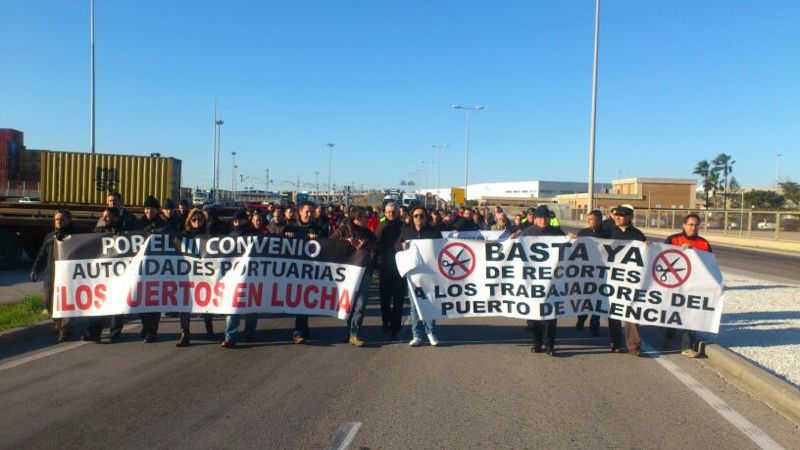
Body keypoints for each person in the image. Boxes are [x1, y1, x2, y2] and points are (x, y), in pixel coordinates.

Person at [664, 213, 711, 358]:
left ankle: (686, 346)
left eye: (696, 225)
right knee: (673, 313)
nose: (693, 228)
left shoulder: (704, 243)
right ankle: (669, 332)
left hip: (694, 284)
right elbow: (662, 257)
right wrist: (680, 250)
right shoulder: (673, 239)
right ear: (684, 225)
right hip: (674, 283)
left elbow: (710, 265)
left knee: (691, 314)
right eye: (690, 225)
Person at [519, 205, 564, 356]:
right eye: (540, 218)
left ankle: (549, 345)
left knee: (550, 316)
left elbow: (568, 249)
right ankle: (537, 343)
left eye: (546, 218)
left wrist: (571, 240)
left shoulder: (557, 233)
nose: (543, 220)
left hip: (552, 281)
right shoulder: (527, 233)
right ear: (535, 219)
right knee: (534, 317)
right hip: (533, 281)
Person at [282, 201, 328, 343]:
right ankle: (300, 330)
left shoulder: (318, 228)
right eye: (307, 211)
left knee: (304, 299)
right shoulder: (290, 226)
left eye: (312, 212)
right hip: (293, 269)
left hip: (310, 270)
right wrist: (286, 235)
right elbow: (279, 241)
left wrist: (318, 238)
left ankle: (301, 330)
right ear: (300, 212)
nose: (310, 214)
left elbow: (327, 243)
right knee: (298, 300)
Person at [330, 206, 376, 347]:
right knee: (349, 304)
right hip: (347, 273)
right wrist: (346, 244)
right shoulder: (343, 231)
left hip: (364, 272)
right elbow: (330, 244)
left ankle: (354, 334)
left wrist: (365, 247)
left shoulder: (369, 234)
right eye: (364, 217)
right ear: (356, 218)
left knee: (360, 305)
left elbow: (375, 250)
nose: (367, 220)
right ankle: (350, 332)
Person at [397, 206, 441, 346]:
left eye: (421, 215)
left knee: (430, 302)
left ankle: (430, 332)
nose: (419, 218)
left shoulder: (434, 232)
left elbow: (441, 249)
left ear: (426, 217)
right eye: (416, 216)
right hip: (414, 275)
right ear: (412, 217)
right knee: (415, 305)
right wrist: (402, 246)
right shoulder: (406, 231)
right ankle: (416, 335)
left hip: (430, 273)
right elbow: (396, 246)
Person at [30, 209, 77, 342]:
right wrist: (35, 269)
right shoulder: (50, 237)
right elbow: (41, 254)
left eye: (62, 219)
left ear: (69, 221)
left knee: (66, 304)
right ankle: (57, 322)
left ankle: (64, 330)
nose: (59, 222)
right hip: (50, 276)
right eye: (57, 219)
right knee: (49, 302)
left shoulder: (75, 237)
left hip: (68, 277)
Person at [608, 205, 647, 356]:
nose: (617, 217)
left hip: (630, 280)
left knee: (631, 312)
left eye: (621, 215)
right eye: (616, 215)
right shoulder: (608, 232)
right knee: (614, 313)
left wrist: (647, 247)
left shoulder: (637, 234)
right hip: (612, 278)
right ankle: (615, 342)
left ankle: (634, 346)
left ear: (630, 217)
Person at [85, 207, 125, 342]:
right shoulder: (99, 232)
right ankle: (94, 333)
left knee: (116, 305)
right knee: (98, 304)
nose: (104, 219)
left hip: (118, 275)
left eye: (107, 216)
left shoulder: (124, 232)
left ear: (116, 218)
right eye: (103, 216)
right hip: (101, 275)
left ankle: (115, 333)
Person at [176, 209, 215, 347]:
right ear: (189, 221)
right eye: (194, 219)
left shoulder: (209, 237)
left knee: (206, 304)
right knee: (184, 305)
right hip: (187, 276)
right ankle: (185, 333)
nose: (197, 222)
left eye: (200, 219)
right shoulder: (183, 236)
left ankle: (209, 329)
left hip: (204, 276)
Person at [221, 209, 258, 348]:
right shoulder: (230, 236)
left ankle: (249, 333)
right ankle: (230, 336)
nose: (237, 222)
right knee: (233, 307)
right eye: (235, 220)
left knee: (251, 307)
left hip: (251, 276)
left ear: (245, 220)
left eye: (240, 219)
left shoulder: (253, 235)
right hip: (234, 277)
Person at [136, 195, 168, 342]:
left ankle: (152, 330)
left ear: (157, 210)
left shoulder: (163, 224)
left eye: (151, 208)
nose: (148, 211)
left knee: (154, 301)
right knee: (142, 300)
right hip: (141, 268)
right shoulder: (138, 223)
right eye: (146, 208)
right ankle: (145, 325)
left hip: (157, 269)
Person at [572, 210, 608, 336]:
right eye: (588, 219)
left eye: (592, 219)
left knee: (598, 298)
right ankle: (581, 319)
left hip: (601, 271)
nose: (590, 222)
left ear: (599, 220)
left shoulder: (607, 234)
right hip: (586, 271)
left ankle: (595, 324)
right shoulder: (583, 233)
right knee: (585, 298)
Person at [375, 201, 405, 337]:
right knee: (385, 299)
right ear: (385, 213)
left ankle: (396, 326)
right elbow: (375, 241)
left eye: (393, 212)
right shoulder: (381, 224)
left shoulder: (403, 226)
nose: (390, 214)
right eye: (388, 212)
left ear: (398, 212)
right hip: (384, 266)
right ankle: (385, 323)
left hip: (400, 267)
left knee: (398, 299)